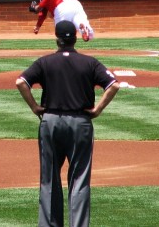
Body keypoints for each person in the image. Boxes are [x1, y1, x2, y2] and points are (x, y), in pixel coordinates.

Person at [16, 20, 119, 227]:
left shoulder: (44, 62)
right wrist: (97, 109)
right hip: (80, 122)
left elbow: (21, 82)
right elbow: (114, 84)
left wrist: (35, 107)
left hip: (51, 121)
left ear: (57, 39)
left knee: (49, 179)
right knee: (79, 179)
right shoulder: (89, 62)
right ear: (75, 38)